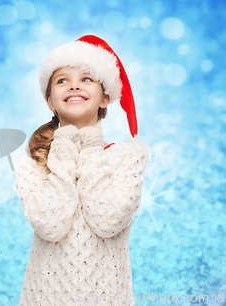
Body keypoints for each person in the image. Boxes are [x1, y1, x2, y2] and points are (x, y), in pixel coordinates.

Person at [14, 35, 152, 306]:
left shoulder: (128, 158)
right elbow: (51, 225)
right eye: (62, 80)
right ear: (51, 102)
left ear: (105, 98)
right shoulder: (33, 163)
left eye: (87, 78)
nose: (74, 84)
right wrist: (64, 145)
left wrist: (90, 147)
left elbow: (107, 220)